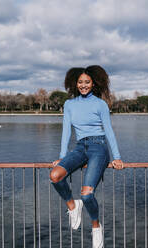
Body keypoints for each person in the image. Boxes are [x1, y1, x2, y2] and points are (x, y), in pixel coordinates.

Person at [50, 65, 124, 248]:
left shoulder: (100, 104)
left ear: (93, 84)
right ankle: (72, 206)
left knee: (87, 194)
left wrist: (117, 156)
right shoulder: (69, 104)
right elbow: (66, 131)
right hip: (80, 148)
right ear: (75, 84)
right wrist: (61, 156)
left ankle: (96, 226)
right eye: (80, 82)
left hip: (98, 147)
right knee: (55, 176)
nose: (83, 85)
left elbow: (109, 131)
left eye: (87, 82)